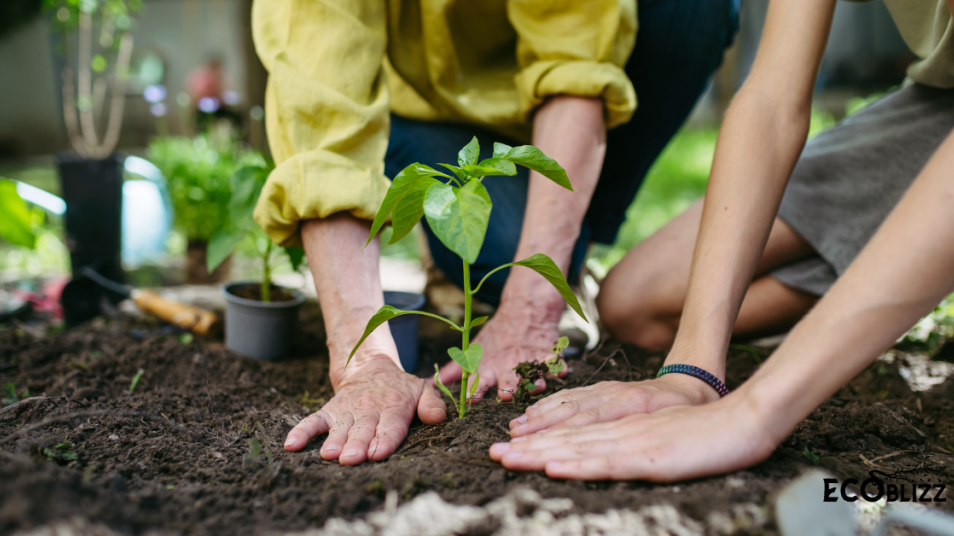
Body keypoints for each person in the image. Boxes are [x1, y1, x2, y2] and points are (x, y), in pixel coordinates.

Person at [490, 0, 954, 520]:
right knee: (640, 301)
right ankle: (951, 249)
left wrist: (755, 412)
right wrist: (692, 374)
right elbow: (771, 96)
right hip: (953, 105)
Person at [251, 0, 739, 465]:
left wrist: (532, 305)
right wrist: (364, 362)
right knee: (503, 251)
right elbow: (323, 128)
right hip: (416, 114)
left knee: (695, 8)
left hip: (548, 111)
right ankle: (551, 255)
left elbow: (576, 65)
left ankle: (569, 244)